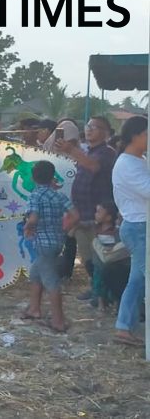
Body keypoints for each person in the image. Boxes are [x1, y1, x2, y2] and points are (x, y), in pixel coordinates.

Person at [55, 116, 117, 301]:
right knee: (88, 258)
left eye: (95, 127)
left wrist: (71, 149)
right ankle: (96, 288)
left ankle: (105, 292)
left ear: (105, 133)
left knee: (100, 258)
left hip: (98, 215)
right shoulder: (88, 151)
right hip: (83, 214)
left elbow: (93, 167)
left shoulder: (106, 152)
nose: (89, 129)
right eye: (88, 126)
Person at [22, 160, 79, 333]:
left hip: (42, 242)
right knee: (35, 274)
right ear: (52, 177)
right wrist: (64, 229)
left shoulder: (35, 196)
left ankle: (58, 321)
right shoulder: (59, 195)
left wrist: (28, 228)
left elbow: (33, 219)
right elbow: (75, 215)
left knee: (51, 281)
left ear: (33, 178)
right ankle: (34, 309)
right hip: (57, 241)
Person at [110, 116, 150, 347]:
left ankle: (124, 327)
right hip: (138, 227)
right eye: (147, 134)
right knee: (144, 280)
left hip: (139, 226)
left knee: (137, 281)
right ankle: (124, 327)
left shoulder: (139, 159)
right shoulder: (127, 163)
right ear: (135, 136)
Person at [90, 202, 130, 311]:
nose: (96, 214)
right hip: (99, 261)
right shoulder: (96, 229)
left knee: (110, 282)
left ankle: (115, 302)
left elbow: (115, 249)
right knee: (98, 282)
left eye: (99, 212)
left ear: (108, 217)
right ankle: (100, 302)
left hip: (112, 260)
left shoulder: (116, 231)